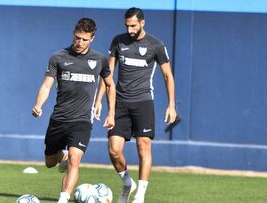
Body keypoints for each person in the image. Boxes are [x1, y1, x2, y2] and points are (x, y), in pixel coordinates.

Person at [94, 7, 177, 203]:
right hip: (120, 103)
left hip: (143, 102)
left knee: (143, 146)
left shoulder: (156, 45)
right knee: (114, 150)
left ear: (142, 23)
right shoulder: (118, 41)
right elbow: (109, 73)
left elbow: (167, 75)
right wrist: (98, 101)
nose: (130, 29)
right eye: (127, 26)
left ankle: (140, 194)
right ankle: (127, 182)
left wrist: (171, 105)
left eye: (133, 25)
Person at [32, 18, 116, 203]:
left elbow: (110, 85)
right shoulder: (58, 57)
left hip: (82, 121)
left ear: (92, 39)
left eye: (84, 39)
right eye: (77, 38)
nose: (80, 42)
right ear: (73, 34)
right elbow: (47, 85)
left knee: (75, 159)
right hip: (59, 119)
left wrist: (111, 112)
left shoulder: (100, 60)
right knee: (49, 163)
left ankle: (63, 198)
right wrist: (38, 105)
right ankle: (61, 154)